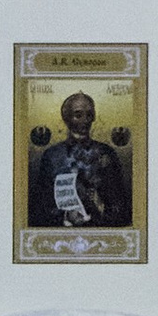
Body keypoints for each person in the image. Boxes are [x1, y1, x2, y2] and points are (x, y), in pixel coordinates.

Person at [27, 88, 132, 230]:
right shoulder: (51, 156)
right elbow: (38, 208)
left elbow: (122, 207)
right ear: (66, 118)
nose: (85, 120)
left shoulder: (107, 153)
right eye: (78, 115)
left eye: (89, 115)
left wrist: (100, 205)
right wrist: (65, 216)